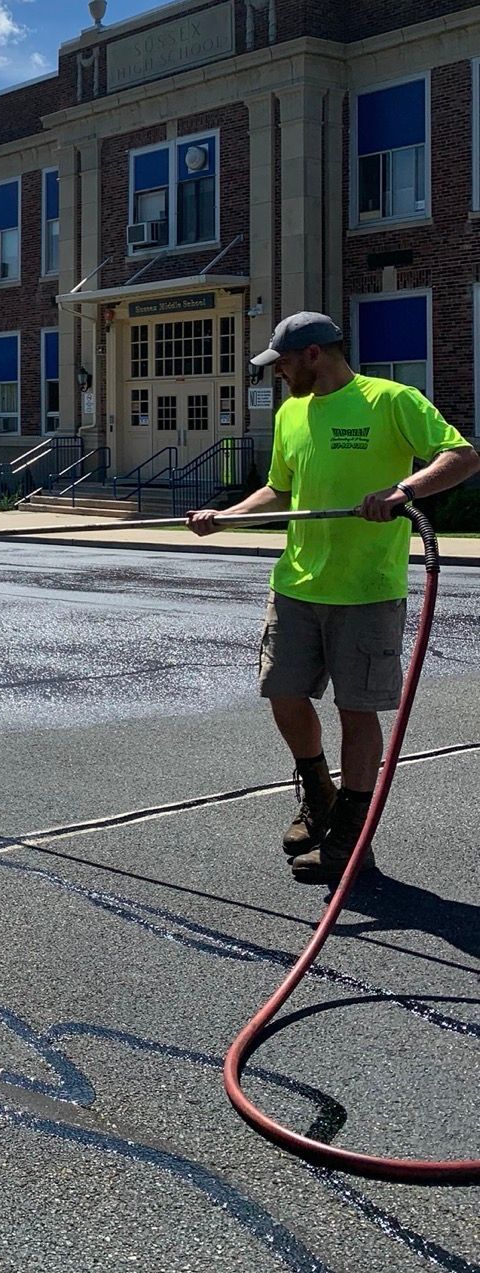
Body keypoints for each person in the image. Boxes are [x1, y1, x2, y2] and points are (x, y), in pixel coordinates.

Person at [188, 310, 480, 884]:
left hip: (365, 589)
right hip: (297, 584)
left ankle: (352, 834)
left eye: (284, 362)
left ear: (315, 354)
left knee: (356, 710)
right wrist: (227, 517)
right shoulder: (292, 413)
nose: (278, 374)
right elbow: (279, 488)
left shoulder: (390, 400)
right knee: (283, 693)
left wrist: (402, 490)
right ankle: (319, 793)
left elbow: (462, 456)